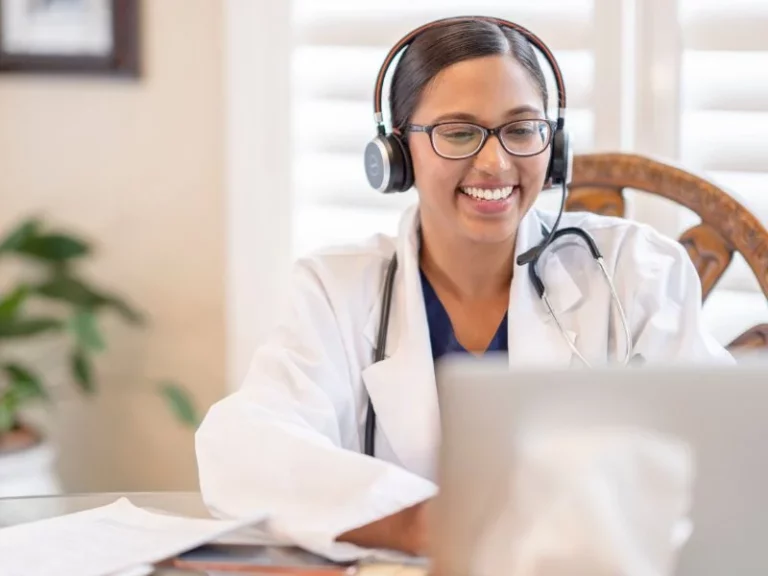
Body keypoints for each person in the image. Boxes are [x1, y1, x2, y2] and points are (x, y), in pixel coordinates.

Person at [195, 17, 732, 560]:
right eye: (457, 132)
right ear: (396, 153)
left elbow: (723, 454)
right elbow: (241, 447)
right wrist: (419, 522)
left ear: (555, 145)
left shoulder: (638, 270)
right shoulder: (336, 289)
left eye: (521, 129)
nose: (495, 162)